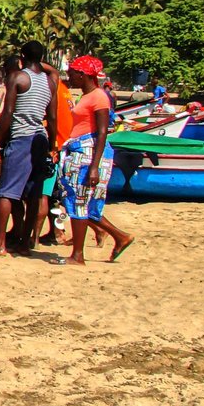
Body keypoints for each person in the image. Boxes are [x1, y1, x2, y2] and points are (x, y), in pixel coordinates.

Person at [0, 42, 58, 257]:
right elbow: (51, 117)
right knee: (33, 194)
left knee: (6, 192)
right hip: (40, 140)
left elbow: (9, 113)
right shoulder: (50, 83)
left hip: (21, 138)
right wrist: (53, 146)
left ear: (22, 56)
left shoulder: (18, 77)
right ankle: (25, 243)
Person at [59, 55, 136, 264]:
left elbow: (102, 133)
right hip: (83, 153)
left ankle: (78, 255)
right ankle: (120, 237)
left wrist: (94, 167)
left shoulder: (98, 97)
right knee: (86, 205)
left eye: (72, 73)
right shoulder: (88, 96)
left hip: (88, 154)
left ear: (83, 75)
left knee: (80, 203)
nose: (70, 77)